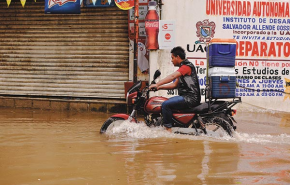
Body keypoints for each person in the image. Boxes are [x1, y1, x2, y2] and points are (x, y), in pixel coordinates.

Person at [149, 46, 201, 132]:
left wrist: (157, 83)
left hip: (190, 98)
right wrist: (158, 87)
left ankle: (168, 130)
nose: (171, 60)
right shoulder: (182, 69)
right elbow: (174, 84)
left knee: (166, 105)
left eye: (172, 58)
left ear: (178, 57)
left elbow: (172, 77)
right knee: (166, 103)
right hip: (187, 97)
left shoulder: (186, 66)